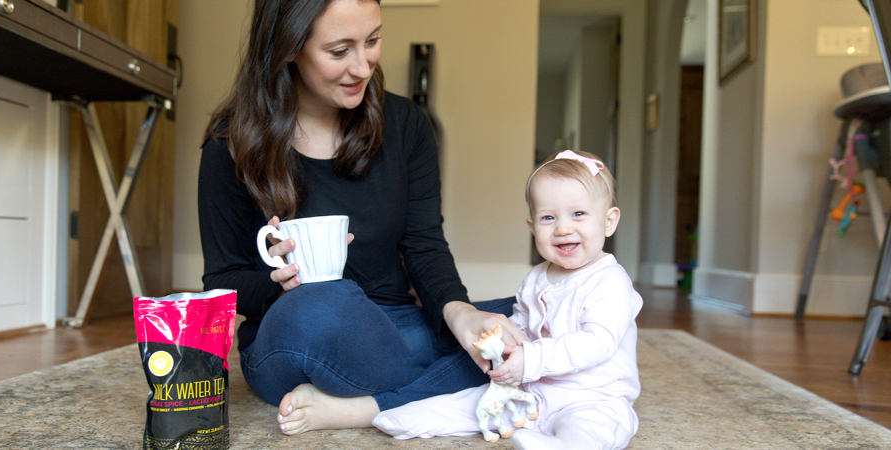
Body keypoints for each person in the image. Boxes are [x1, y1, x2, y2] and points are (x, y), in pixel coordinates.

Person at [198, 0, 527, 436]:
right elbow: (221, 282)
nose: (362, 66)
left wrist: (461, 312)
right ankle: (461, 382)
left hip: (395, 328)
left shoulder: (406, 124)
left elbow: (425, 245)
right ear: (288, 47)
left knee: (543, 316)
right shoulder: (231, 141)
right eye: (339, 51)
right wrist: (278, 285)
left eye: (372, 41)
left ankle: (364, 407)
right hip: (298, 333)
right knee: (321, 305)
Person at [372, 150, 643, 450]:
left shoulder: (610, 281)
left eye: (578, 214)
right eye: (548, 217)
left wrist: (531, 359)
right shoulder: (538, 276)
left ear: (609, 221)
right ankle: (418, 416)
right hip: (532, 392)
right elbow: (521, 323)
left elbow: (597, 343)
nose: (563, 228)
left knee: (592, 428)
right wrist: (503, 345)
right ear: (532, 227)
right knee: (475, 400)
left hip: (592, 397)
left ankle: (563, 446)